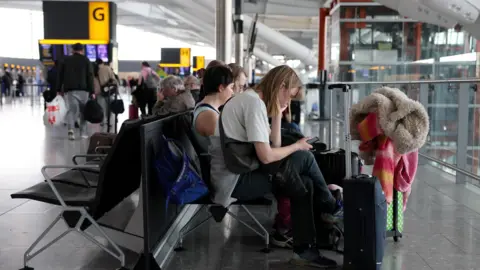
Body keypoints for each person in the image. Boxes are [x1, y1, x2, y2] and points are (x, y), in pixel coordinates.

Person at [208, 65, 341, 268]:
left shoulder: (252, 100)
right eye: (289, 96)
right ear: (281, 86)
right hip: (235, 181)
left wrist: (278, 113)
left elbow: (275, 145)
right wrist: (297, 146)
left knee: (304, 184)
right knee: (305, 158)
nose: (289, 102)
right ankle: (331, 207)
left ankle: (305, 251)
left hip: (242, 171)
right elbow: (267, 155)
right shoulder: (253, 104)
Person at [56, 43, 94, 140]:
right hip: (84, 90)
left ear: (72, 50)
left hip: (70, 90)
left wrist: (59, 89)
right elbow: (90, 76)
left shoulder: (66, 60)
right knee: (83, 112)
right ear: (82, 50)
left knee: (72, 110)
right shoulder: (86, 60)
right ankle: (83, 133)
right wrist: (92, 91)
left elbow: (60, 75)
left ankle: (71, 130)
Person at [192, 66, 234, 153]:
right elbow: (224, 149)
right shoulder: (208, 115)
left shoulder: (207, 109)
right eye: (231, 87)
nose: (232, 92)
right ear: (221, 88)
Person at [95, 58, 118, 129]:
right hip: (109, 91)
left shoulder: (95, 70)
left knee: (101, 107)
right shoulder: (108, 68)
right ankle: (108, 121)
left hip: (99, 92)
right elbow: (114, 80)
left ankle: (102, 121)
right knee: (109, 107)